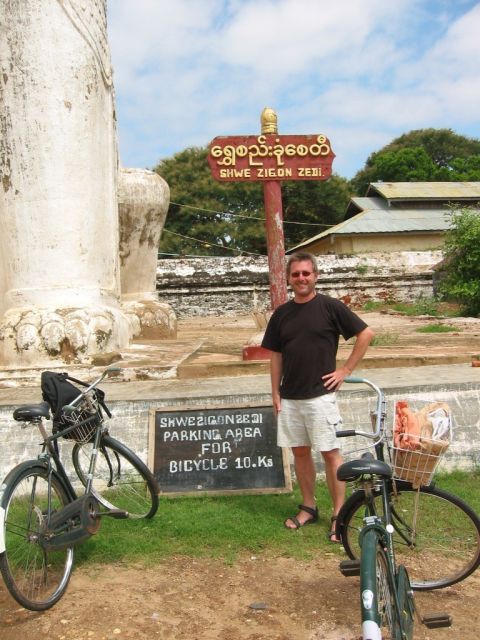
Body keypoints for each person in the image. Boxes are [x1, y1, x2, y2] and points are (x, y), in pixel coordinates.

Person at [261, 251, 374, 541]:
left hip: (320, 396)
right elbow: (276, 355)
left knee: (329, 453)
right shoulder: (282, 314)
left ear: (315, 276)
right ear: (288, 278)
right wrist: (275, 392)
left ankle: (340, 515)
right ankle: (309, 507)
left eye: (306, 273)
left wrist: (345, 370)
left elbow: (366, 334)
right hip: (290, 397)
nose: (301, 278)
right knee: (299, 452)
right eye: (296, 274)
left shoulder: (330, 308)